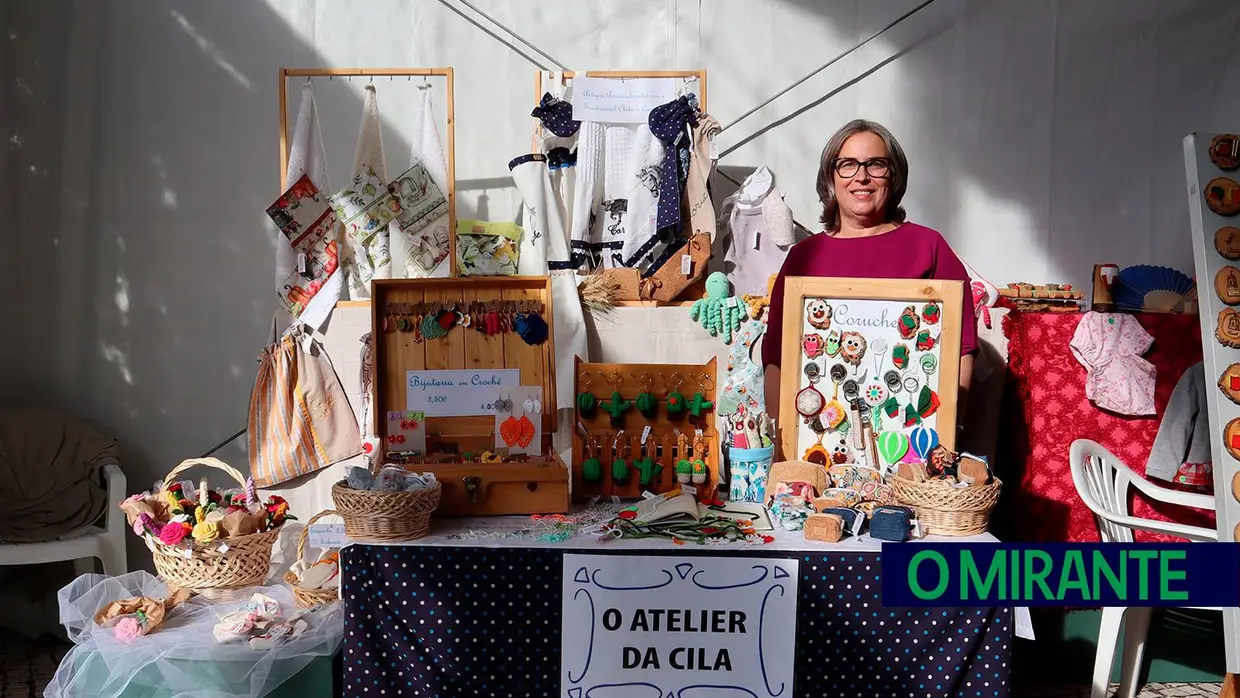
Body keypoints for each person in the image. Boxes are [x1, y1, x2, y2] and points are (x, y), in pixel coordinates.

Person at [762, 119, 977, 432]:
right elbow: (777, 357)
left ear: (894, 176)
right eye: (847, 164)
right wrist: (783, 443)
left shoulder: (928, 247)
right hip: (819, 438)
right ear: (831, 178)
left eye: (875, 164)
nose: (861, 176)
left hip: (909, 438)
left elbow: (962, 349)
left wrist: (945, 430)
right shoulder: (803, 257)